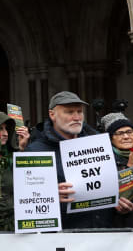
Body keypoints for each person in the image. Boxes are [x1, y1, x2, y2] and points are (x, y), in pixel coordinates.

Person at [27, 91, 114, 229]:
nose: (76, 117)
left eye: (79, 112)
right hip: (64, 236)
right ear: (52, 115)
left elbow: (109, 185)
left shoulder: (97, 144)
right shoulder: (35, 151)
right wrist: (50, 196)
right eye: (69, 112)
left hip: (103, 232)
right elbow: (27, 200)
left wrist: (119, 201)